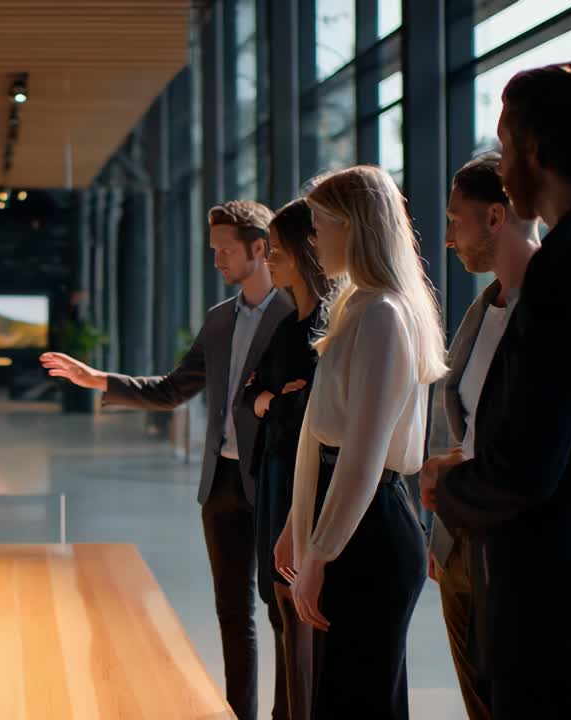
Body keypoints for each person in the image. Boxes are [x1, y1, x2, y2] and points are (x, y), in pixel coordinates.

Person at [420, 58, 571, 717]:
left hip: (550, 600)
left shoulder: (569, 264)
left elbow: (528, 466)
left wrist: (447, 484)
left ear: (536, 149)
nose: (501, 161)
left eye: (504, 141)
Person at [42, 200, 293, 720]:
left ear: (259, 248)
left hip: (275, 483)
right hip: (220, 484)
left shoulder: (296, 315)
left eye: (226, 250)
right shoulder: (221, 319)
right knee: (232, 614)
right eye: (214, 251)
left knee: (282, 613)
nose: (218, 260)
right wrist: (100, 381)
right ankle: (239, 712)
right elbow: (174, 388)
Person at [273, 165, 446, 718]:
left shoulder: (383, 314)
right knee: (352, 695)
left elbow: (363, 454)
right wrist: (297, 529)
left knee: (359, 697)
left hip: (370, 529)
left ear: (352, 226)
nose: (313, 239)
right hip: (354, 520)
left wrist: (319, 550)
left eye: (320, 225)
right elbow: (317, 433)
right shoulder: (358, 305)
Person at [426, 152, 540, 720]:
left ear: (496, 218)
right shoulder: (483, 308)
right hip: (461, 540)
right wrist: (441, 530)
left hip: (515, 548)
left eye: (455, 220)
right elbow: (468, 430)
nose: (448, 238)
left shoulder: (551, 308)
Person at [239, 198, 332, 720]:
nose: (269, 260)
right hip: (276, 472)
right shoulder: (287, 324)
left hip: (302, 479)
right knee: (278, 609)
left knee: (295, 610)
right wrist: (276, 400)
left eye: (276, 250)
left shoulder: (325, 325)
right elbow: (254, 392)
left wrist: (278, 401)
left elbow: (312, 407)